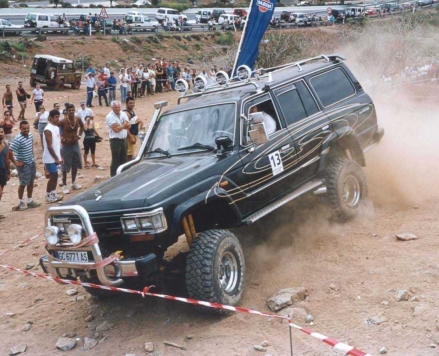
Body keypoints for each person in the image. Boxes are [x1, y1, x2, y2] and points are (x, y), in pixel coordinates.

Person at [9, 120, 40, 211]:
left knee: (31, 181)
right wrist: (15, 163)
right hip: (23, 164)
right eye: (24, 129)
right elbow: (10, 151)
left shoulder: (30, 136)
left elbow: (30, 148)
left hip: (31, 162)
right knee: (23, 183)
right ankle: (21, 202)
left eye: (27, 128)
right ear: (20, 129)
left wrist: (33, 158)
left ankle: (30, 201)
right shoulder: (18, 139)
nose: (26, 130)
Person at [59, 104, 84, 194]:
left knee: (75, 163)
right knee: (65, 165)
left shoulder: (77, 119)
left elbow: (82, 126)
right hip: (66, 145)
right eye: (69, 110)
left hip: (75, 144)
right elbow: (56, 129)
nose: (71, 112)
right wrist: (61, 138)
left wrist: (79, 135)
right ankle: (64, 185)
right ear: (66, 111)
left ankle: (73, 182)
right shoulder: (63, 121)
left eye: (73, 110)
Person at [43, 110, 63, 203]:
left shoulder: (56, 128)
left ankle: (53, 193)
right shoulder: (48, 129)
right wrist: (55, 158)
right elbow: (49, 146)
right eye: (56, 117)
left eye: (58, 116)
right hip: (49, 158)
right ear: (50, 117)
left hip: (56, 157)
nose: (58, 118)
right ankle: (48, 194)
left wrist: (60, 156)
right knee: (53, 176)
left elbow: (57, 144)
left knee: (55, 176)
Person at [106, 100, 130, 177]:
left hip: (123, 139)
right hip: (115, 140)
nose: (117, 108)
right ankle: (113, 176)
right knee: (115, 159)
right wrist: (123, 125)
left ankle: (123, 175)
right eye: (115, 107)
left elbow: (128, 126)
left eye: (118, 107)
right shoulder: (110, 116)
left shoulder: (123, 114)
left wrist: (121, 126)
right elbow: (116, 130)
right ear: (112, 107)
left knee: (124, 158)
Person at [124, 97, 144, 161]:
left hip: (133, 135)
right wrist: (130, 137)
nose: (132, 104)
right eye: (130, 103)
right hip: (129, 136)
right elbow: (125, 127)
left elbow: (133, 122)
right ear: (126, 103)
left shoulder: (131, 111)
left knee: (130, 154)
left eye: (133, 103)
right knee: (128, 155)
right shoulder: (126, 113)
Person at [0, 127, 11, 221]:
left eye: (2, 132)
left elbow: (7, 160)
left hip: (2, 170)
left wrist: (8, 172)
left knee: (1, 193)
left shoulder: (6, 144)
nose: (0, 133)